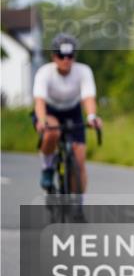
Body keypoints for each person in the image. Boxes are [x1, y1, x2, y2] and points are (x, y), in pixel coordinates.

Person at [32, 33, 102, 195]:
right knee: (52, 132)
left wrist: (91, 117)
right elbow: (40, 102)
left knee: (79, 161)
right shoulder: (44, 73)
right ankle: (47, 168)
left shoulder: (83, 71)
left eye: (70, 56)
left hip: (72, 111)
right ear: (53, 57)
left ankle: (77, 206)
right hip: (49, 110)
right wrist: (42, 121)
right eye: (61, 56)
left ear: (74, 56)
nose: (66, 60)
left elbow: (88, 98)